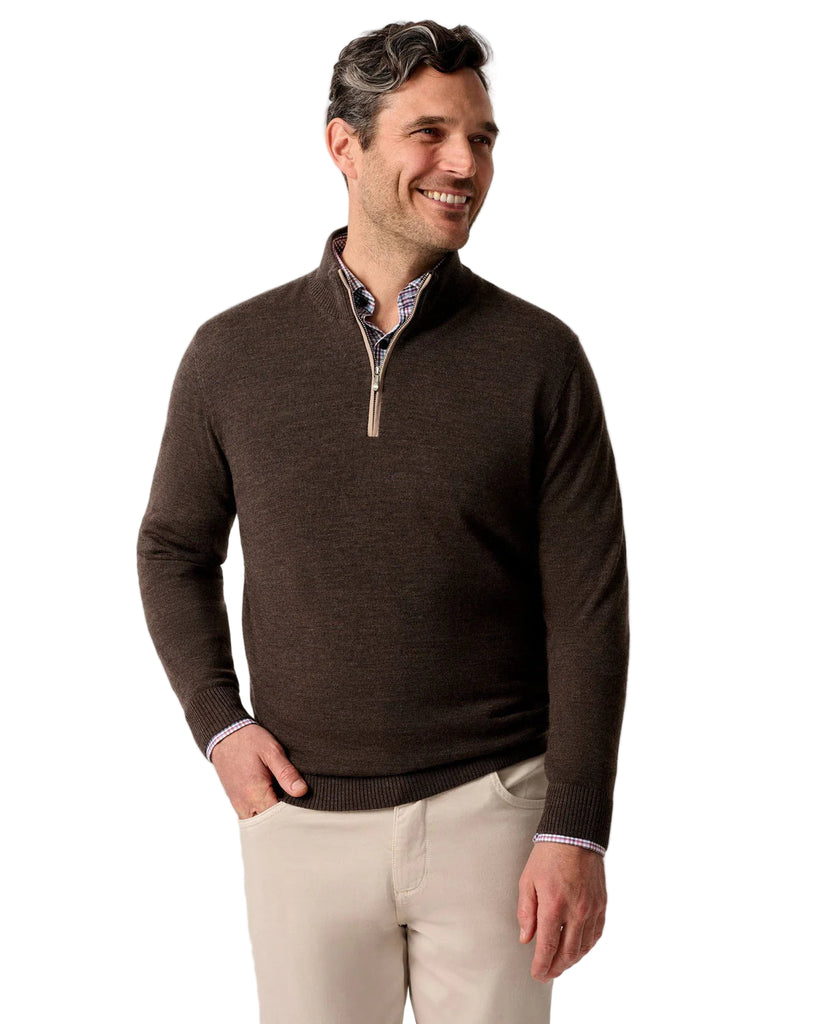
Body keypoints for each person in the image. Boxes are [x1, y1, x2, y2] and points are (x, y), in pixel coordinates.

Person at [136, 19, 629, 1024]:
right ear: (344, 146)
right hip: (299, 817)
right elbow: (174, 548)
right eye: (429, 133)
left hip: (496, 813)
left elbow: (589, 609)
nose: (464, 165)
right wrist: (218, 723)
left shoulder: (539, 358)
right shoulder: (232, 354)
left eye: (481, 138)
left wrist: (575, 828)